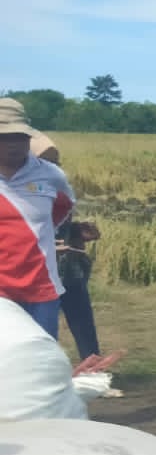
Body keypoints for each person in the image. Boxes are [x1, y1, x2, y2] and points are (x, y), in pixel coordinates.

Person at [0, 98, 75, 337]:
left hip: (42, 289)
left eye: (20, 137)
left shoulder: (51, 174)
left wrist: (39, 235)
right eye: (6, 138)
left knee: (41, 361)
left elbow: (65, 207)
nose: (14, 145)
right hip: (2, 292)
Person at [31, 134, 106, 366]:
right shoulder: (17, 192)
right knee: (35, 330)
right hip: (34, 273)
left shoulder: (55, 185)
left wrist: (76, 231)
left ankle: (93, 373)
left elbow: (55, 224)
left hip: (68, 269)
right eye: (45, 162)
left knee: (82, 321)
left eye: (55, 163)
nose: (52, 168)